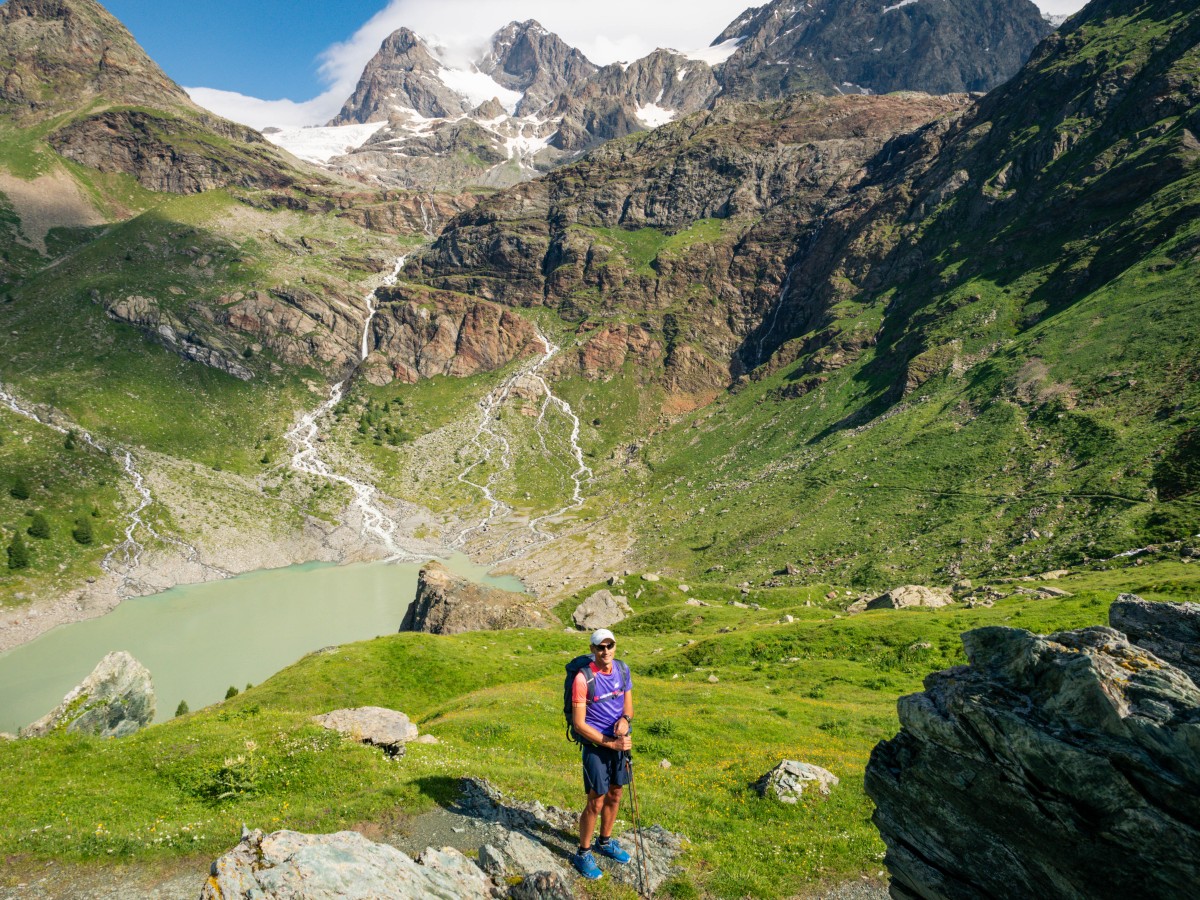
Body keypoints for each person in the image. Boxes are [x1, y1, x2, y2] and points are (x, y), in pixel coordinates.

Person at [570, 627, 634, 880]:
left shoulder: (623, 669)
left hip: (620, 742)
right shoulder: (582, 679)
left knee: (616, 793)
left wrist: (626, 721)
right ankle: (583, 852)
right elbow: (579, 724)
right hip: (597, 748)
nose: (605, 651)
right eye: (600, 647)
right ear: (592, 649)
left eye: (609, 645)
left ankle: (605, 842)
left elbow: (628, 705)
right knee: (596, 800)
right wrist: (610, 743)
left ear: (615, 646)